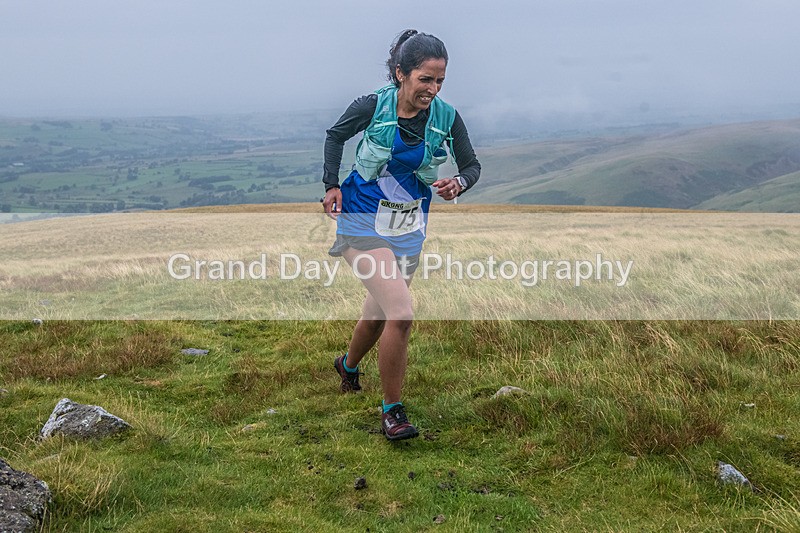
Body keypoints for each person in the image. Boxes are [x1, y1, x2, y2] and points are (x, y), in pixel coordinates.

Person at [322, 29, 481, 441]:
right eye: (425, 79)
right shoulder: (373, 105)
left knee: (378, 312)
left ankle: (347, 366)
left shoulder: (446, 116)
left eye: (440, 80)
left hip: (408, 227)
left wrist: (459, 182)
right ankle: (392, 411)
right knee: (402, 312)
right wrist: (331, 185)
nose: (433, 89)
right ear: (401, 74)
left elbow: (471, 165)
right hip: (361, 220)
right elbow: (335, 135)